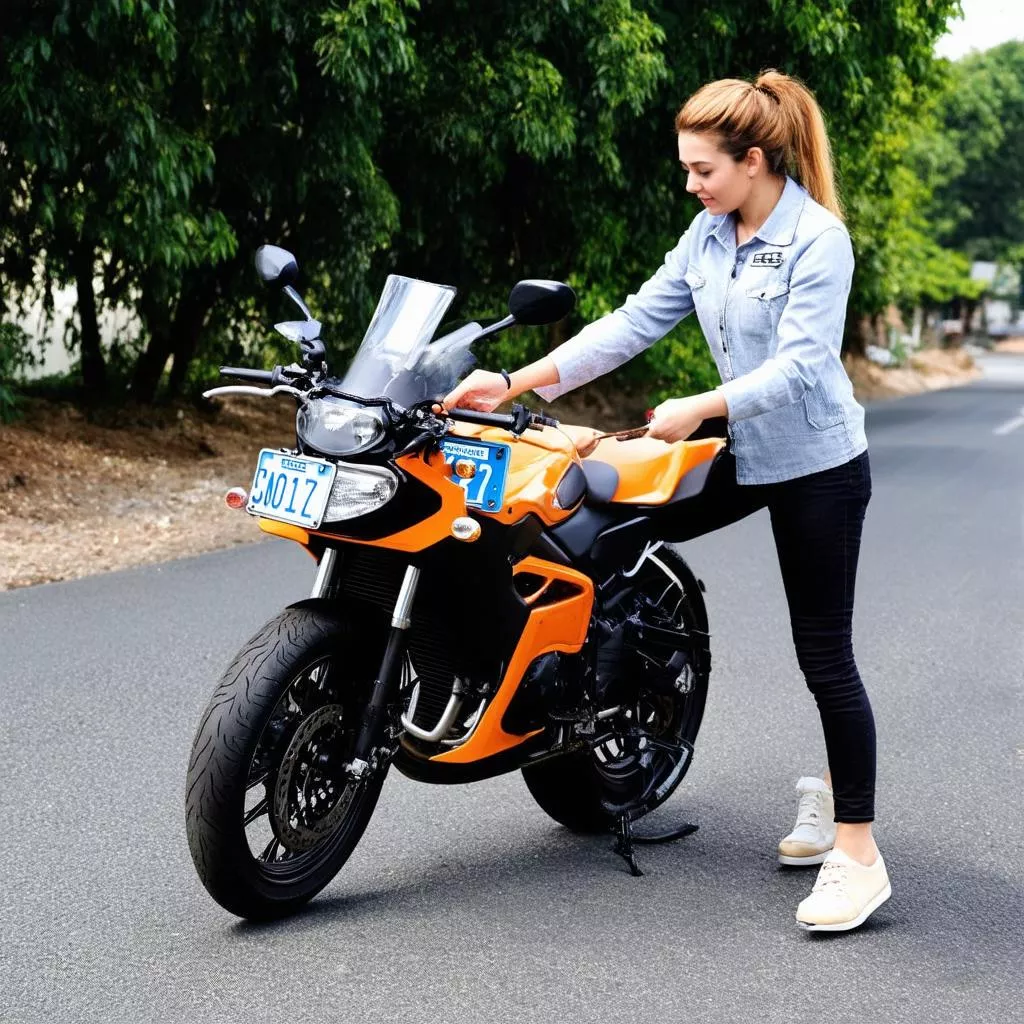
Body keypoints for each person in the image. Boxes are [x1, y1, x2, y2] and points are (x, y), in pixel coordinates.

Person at [443, 70, 888, 932]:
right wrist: (512, 381)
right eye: (687, 169)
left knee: (824, 657)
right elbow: (633, 322)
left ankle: (857, 850)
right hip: (741, 451)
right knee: (593, 529)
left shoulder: (818, 239)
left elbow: (803, 367)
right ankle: (600, 704)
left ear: (753, 161)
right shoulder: (708, 233)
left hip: (817, 465)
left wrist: (700, 406)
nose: (691, 185)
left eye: (702, 169)